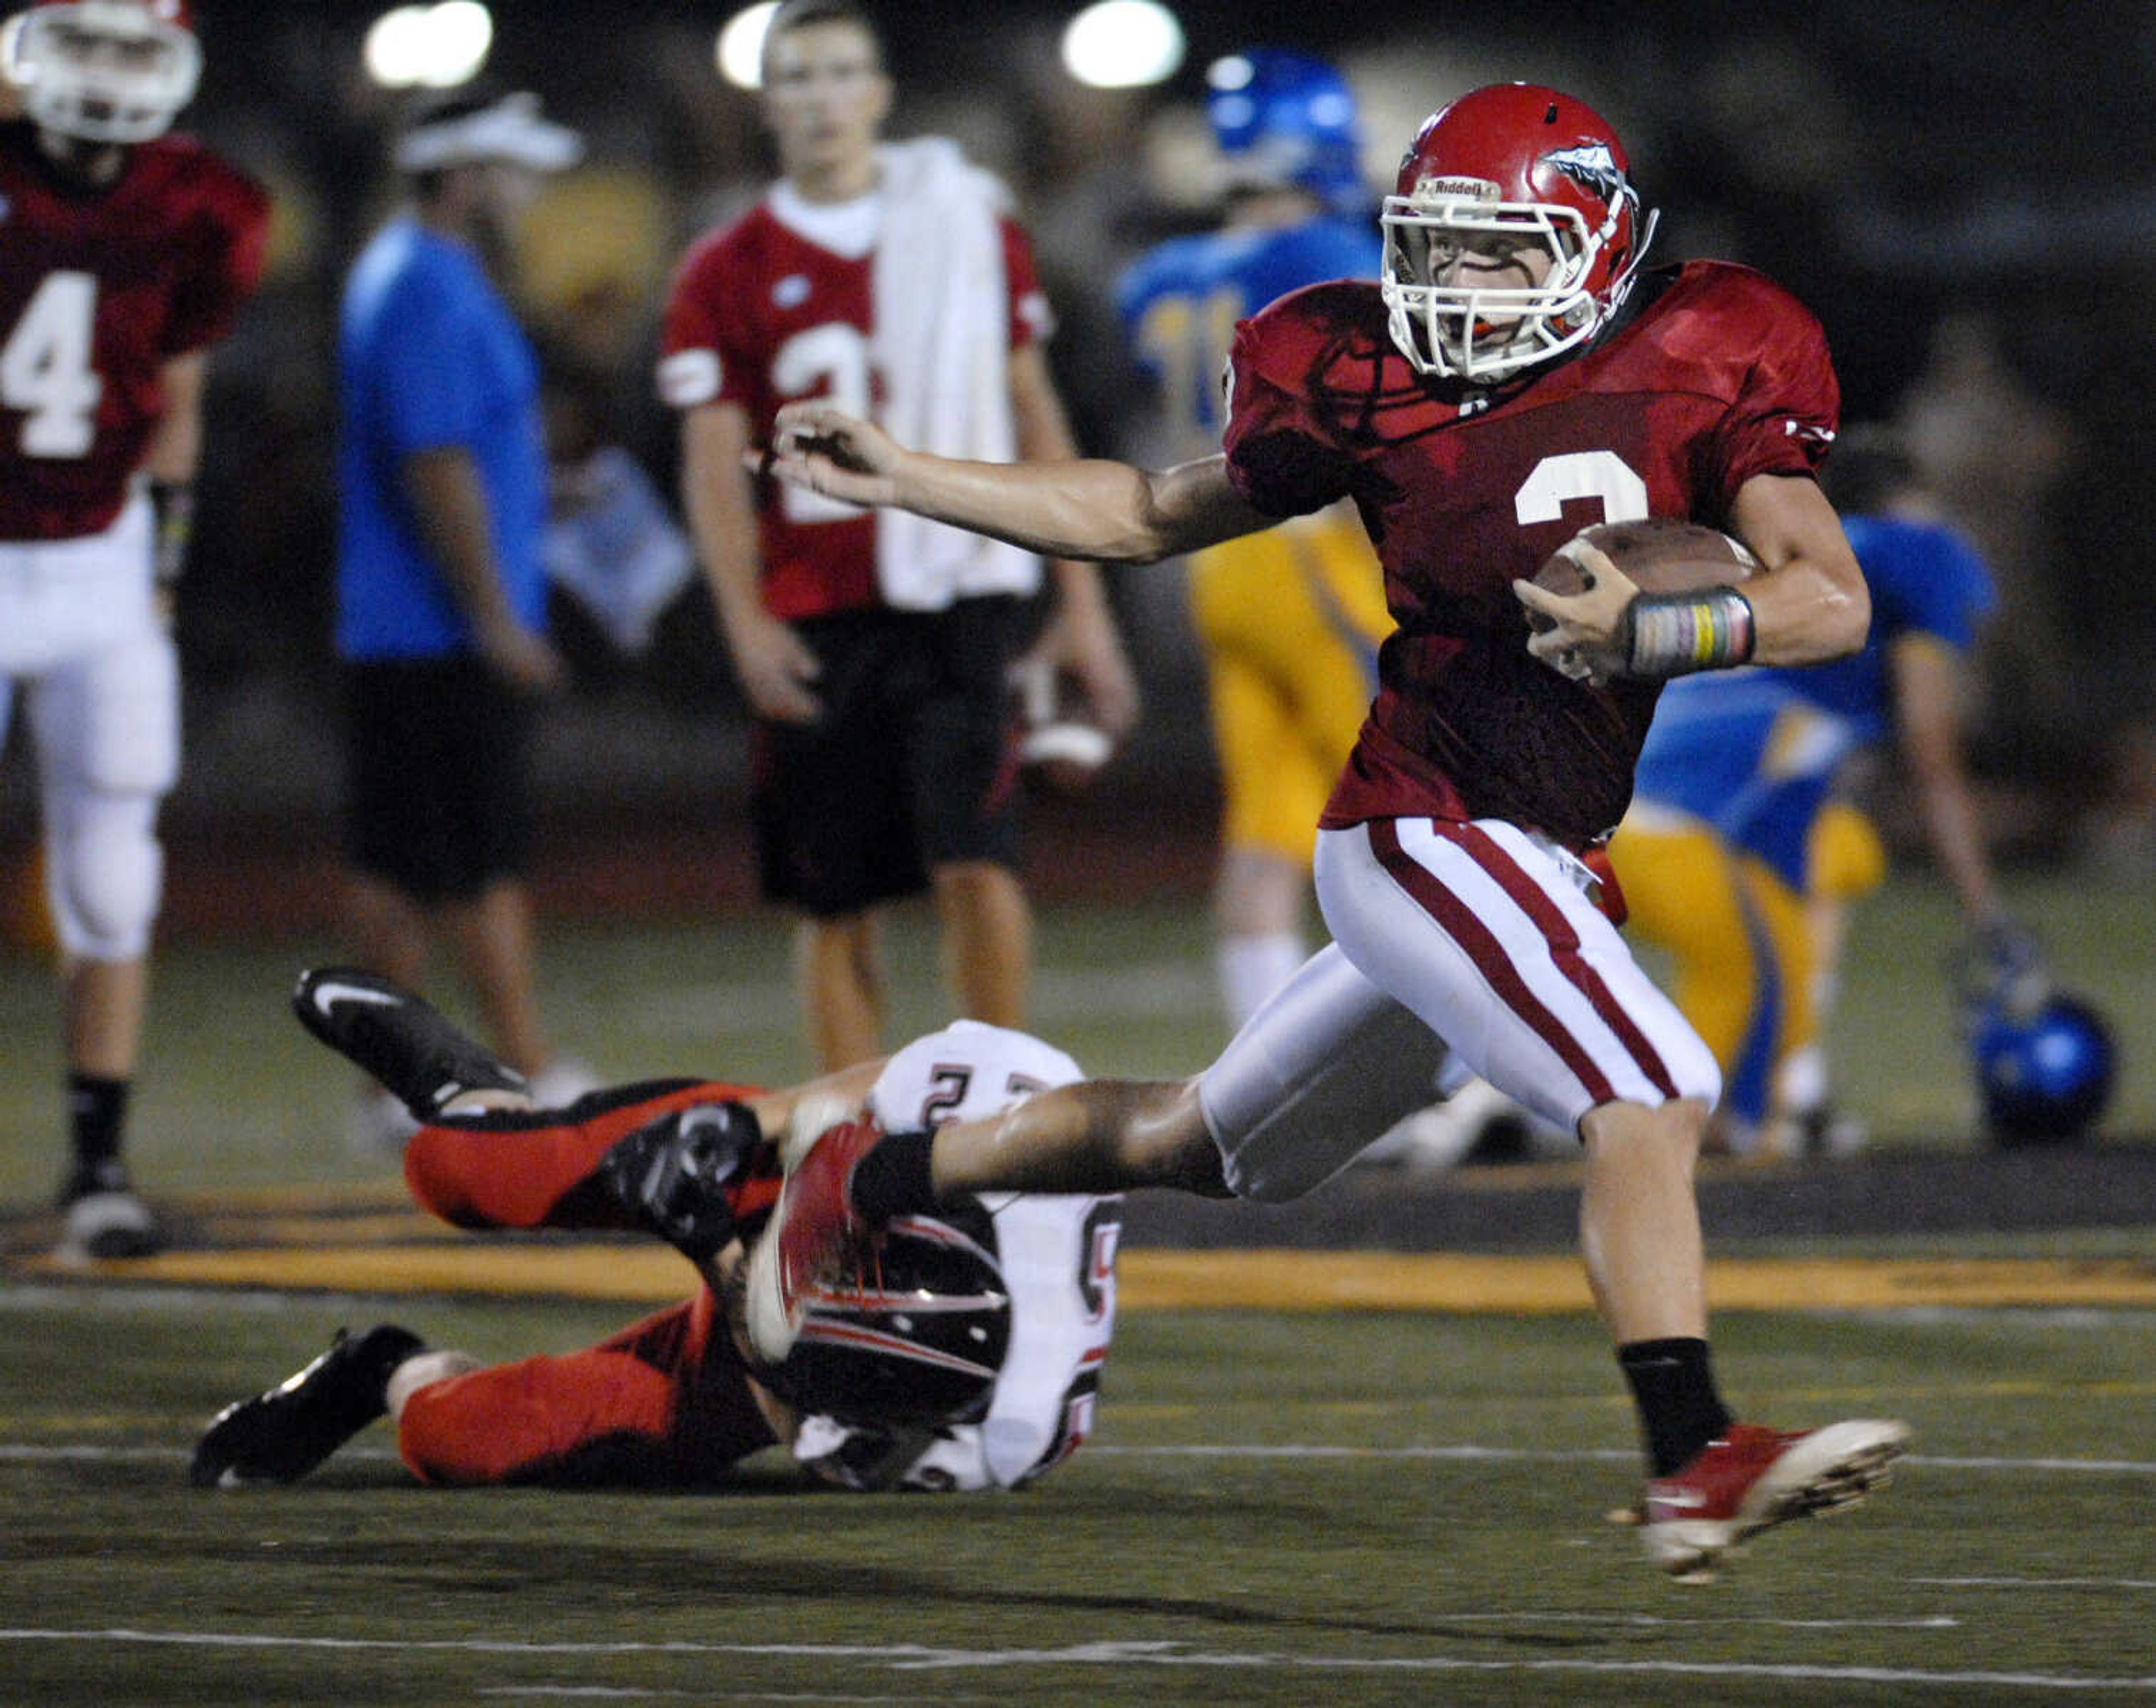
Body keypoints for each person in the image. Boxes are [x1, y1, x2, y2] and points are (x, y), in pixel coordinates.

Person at [748, 82, 1911, 1580]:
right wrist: (906, 473)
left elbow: (1831, 598)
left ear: (1596, 247)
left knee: (1211, 1146)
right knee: (1654, 1080)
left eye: (1494, 255)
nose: (1450, 286)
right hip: (1425, 825)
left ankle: (879, 1176)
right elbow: (1147, 512)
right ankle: (1694, 1454)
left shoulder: (1713, 344)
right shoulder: (1350, 364)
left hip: (1536, 844)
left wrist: (1674, 622)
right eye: (1432, 248)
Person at [657, 0, 1138, 1074]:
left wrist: (1083, 604)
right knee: (836, 896)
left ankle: (999, 1101)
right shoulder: (724, 265)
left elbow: (1032, 407)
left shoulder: (965, 222)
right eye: (798, 77)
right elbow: (712, 463)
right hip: (817, 601)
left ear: (877, 94)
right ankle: (847, 1123)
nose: (822, 98)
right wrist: (741, 617)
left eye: (840, 74)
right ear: (767, 101)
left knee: (978, 859)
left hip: (962, 580)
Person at [190, 967, 1120, 1494]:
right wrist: (741, 1133)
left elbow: (784, 1358)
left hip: (771, 1323)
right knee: (465, 1171)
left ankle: (375, 1365)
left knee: (455, 1439)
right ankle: (477, 1095)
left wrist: (714, 1251)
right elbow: (861, 1095)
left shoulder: (1004, 1431)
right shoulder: (1006, 1106)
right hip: (808, 1171)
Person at [0, 0, 268, 1258]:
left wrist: (160, 568)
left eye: (128, 48)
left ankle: (97, 1168)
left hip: (98, 553)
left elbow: (178, 401)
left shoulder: (204, 203)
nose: (104, 77)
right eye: (84, 43)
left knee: (115, 876)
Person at [1611, 424, 2016, 1155]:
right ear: (1911, 498)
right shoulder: (1915, 552)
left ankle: (1769, 1098)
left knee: (1842, 851)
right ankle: (1700, 1127)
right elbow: (1933, 758)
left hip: (1647, 787)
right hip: (1679, 812)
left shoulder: (1805, 549)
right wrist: (1986, 910)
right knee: (1759, 978)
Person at [334, 86, 593, 1152]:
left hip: (398, 625)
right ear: (463, 174)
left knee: (394, 862)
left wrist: (548, 489)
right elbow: (435, 462)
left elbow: (458, 445)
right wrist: (494, 615)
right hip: (435, 628)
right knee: (479, 860)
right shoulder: (428, 284)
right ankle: (523, 1063)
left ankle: (387, 1089)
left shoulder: (410, 272)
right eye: (509, 168)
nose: (526, 190)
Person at [1114, 49, 1388, 1035]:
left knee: (1268, 831)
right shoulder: (1327, 256)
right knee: (1417, 811)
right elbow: (1367, 426)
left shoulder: (1165, 274)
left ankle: (1260, 1077)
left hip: (1215, 562)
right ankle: (1450, 1088)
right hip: (1312, 549)